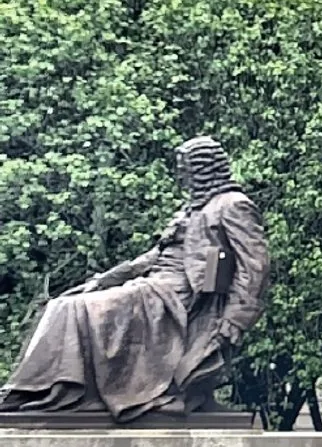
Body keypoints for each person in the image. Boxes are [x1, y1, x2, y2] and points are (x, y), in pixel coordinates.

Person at [1, 138, 271, 422]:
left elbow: (256, 265)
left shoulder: (233, 204)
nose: (180, 175)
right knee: (61, 304)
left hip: (178, 294)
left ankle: (52, 391)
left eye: (185, 168)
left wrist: (236, 318)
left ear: (203, 168)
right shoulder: (191, 207)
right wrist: (105, 279)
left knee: (76, 310)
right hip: (153, 285)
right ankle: (38, 389)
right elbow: (154, 255)